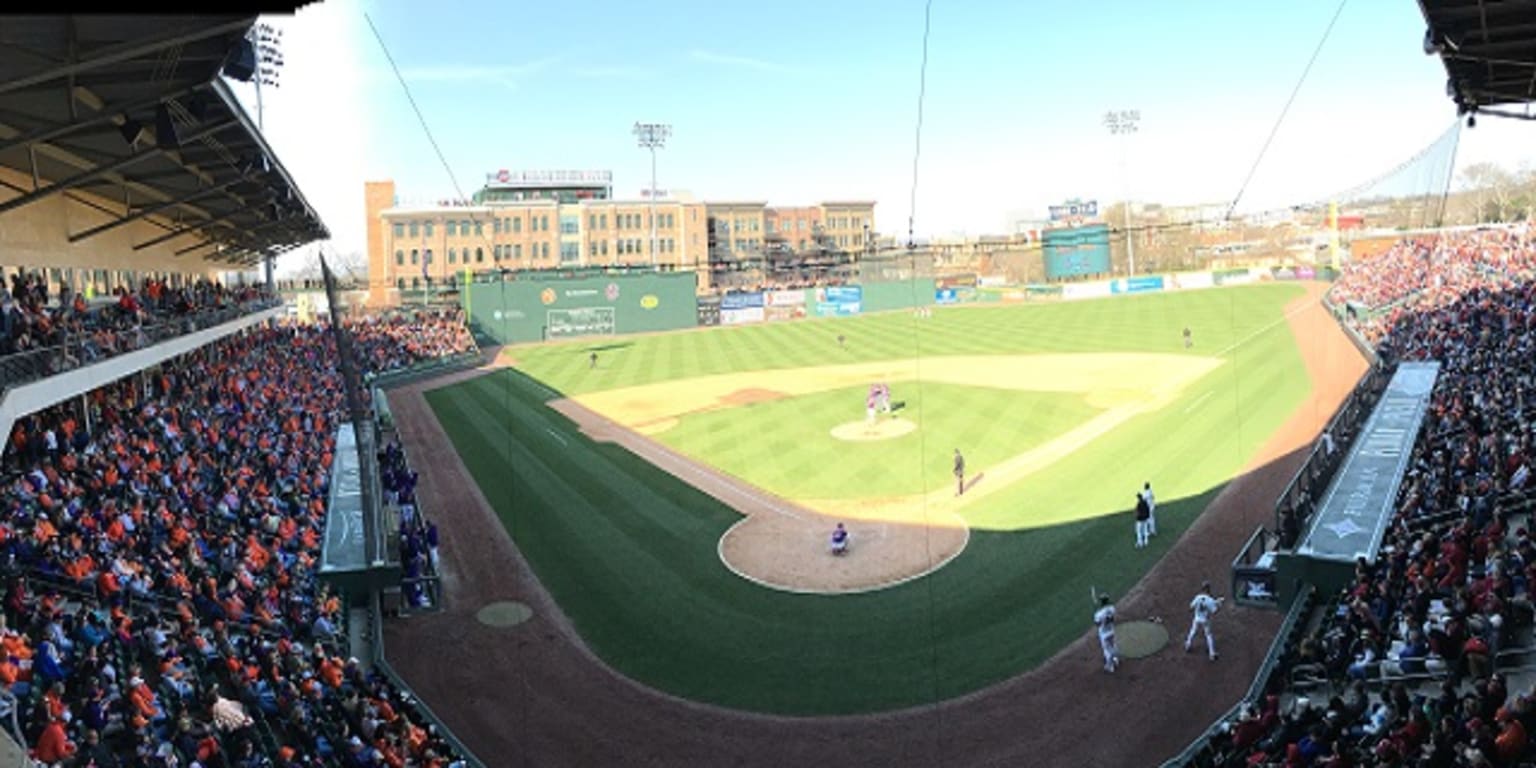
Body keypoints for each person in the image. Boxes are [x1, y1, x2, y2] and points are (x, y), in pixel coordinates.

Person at [1186, 581, 1222, 661]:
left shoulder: (1198, 597)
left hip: (1196, 619)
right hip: (1205, 620)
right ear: (1208, 589)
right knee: (1208, 635)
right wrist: (1218, 605)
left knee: (1193, 631)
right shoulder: (1210, 600)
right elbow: (1214, 611)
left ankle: (1188, 645)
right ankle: (1212, 654)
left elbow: (1190, 608)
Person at [1094, 594, 1120, 673]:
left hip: (1104, 634)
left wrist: (1097, 615)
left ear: (1101, 602)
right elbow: (1111, 617)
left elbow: (1097, 624)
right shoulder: (1112, 608)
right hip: (1111, 631)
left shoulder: (1098, 614)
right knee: (1113, 645)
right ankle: (1116, 659)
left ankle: (1110, 666)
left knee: (1106, 650)